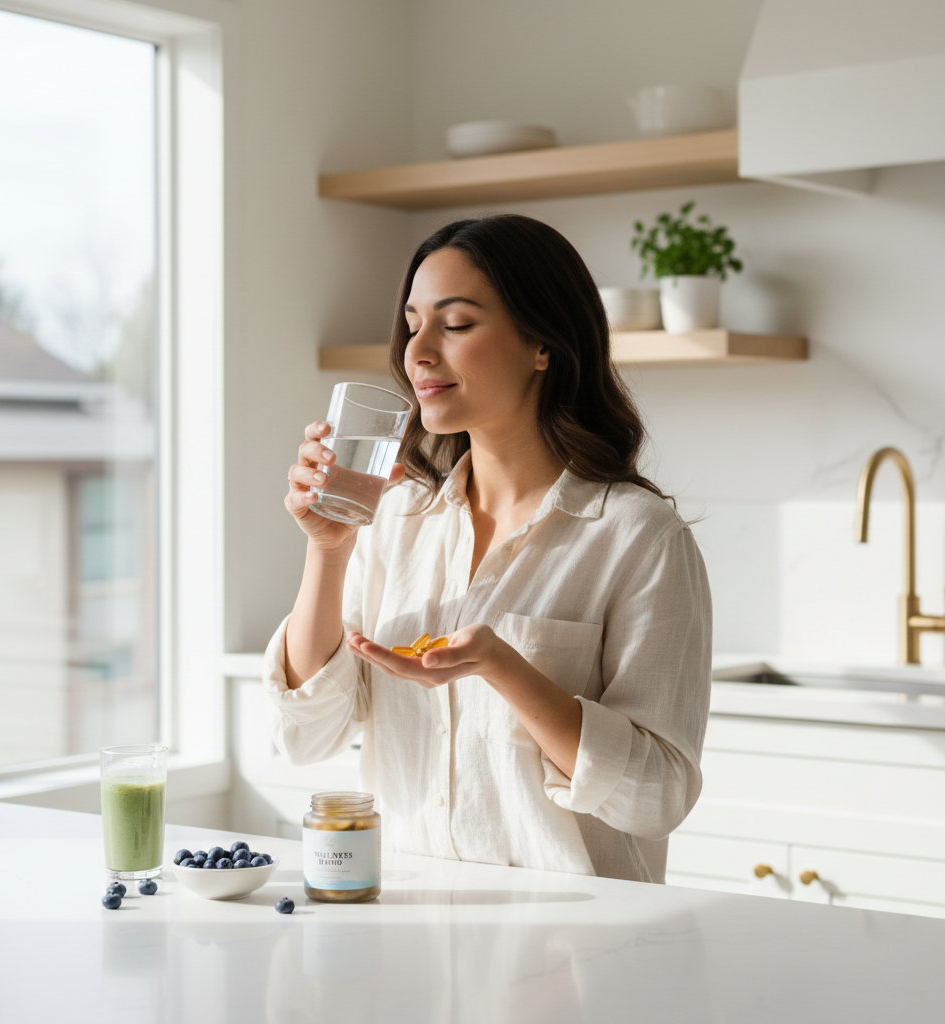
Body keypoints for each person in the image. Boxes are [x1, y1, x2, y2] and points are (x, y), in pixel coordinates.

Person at [263, 214, 711, 883]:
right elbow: (304, 735)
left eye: (457, 323)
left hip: (575, 953)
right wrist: (329, 548)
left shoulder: (638, 538)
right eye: (413, 323)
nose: (419, 351)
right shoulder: (396, 519)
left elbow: (658, 796)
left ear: (543, 344)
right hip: (411, 934)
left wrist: (505, 668)